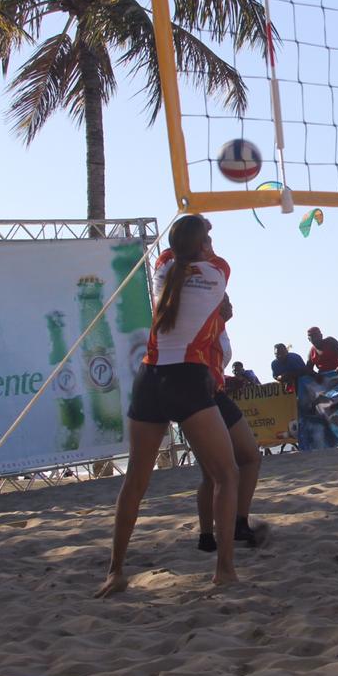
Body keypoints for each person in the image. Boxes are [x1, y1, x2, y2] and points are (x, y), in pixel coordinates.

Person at [96, 213, 239, 596]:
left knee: (135, 483)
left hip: (150, 377)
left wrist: (191, 230)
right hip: (186, 378)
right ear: (204, 246)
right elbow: (211, 267)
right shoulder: (217, 272)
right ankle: (224, 569)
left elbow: (170, 254)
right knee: (226, 475)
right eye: (208, 237)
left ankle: (115, 571)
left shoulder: (162, 270)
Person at [194, 294, 264, 552]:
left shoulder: (217, 326)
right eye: (225, 301)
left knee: (213, 474)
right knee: (248, 458)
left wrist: (224, 378)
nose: (230, 305)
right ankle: (238, 523)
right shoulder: (204, 324)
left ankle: (206, 536)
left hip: (211, 394)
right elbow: (196, 361)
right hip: (205, 398)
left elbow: (210, 364)